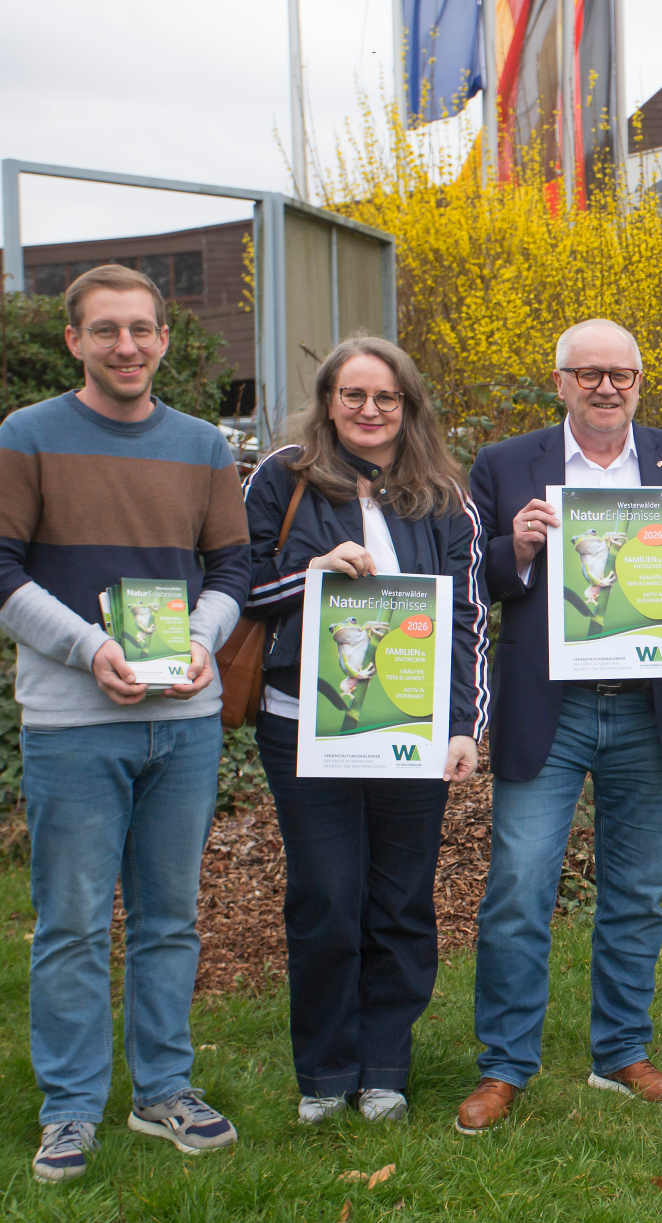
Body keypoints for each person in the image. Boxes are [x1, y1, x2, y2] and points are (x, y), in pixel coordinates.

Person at [0, 265, 250, 1182]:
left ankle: (163, 1090)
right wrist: (90, 649)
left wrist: (206, 640)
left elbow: (233, 569)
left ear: (166, 339)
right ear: (74, 342)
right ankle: (71, 1108)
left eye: (140, 329)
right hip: (75, 723)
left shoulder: (204, 445)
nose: (125, 345)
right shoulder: (29, 436)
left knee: (169, 920)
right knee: (76, 923)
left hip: (187, 720)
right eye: (105, 331)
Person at [456, 318, 662, 1132]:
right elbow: (467, 582)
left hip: (650, 704)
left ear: (639, 379)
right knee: (518, 889)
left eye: (619, 372)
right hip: (548, 709)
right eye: (587, 373)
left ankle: (621, 1052)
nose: (605, 386)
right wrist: (512, 548)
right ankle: (506, 1067)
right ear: (559, 382)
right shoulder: (506, 465)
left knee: (639, 891)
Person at [241, 335, 489, 1125]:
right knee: (325, 898)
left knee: (400, 903)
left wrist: (462, 727)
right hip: (303, 728)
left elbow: (468, 621)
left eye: (387, 397)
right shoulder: (283, 477)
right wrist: (310, 574)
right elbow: (239, 582)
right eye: (354, 395)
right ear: (328, 402)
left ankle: (384, 1069)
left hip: (410, 733)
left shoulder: (445, 493)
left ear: (408, 406)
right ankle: (323, 1074)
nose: (370, 410)